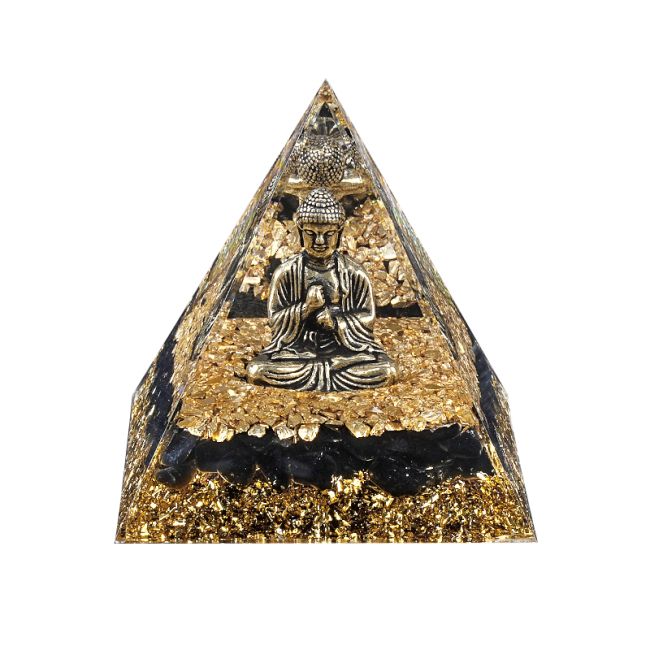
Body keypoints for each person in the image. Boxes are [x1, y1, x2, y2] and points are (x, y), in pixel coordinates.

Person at [246, 188, 397, 391]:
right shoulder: (286, 272)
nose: (319, 241)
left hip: (346, 352)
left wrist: (335, 323)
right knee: (257, 371)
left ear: (339, 233)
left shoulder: (354, 272)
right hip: (298, 353)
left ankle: (327, 372)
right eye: (311, 234)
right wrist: (306, 308)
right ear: (300, 232)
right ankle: (326, 374)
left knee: (387, 371)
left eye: (328, 234)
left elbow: (368, 317)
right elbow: (275, 319)